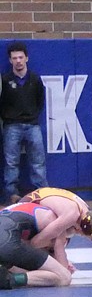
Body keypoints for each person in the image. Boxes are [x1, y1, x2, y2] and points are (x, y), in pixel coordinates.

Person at [0, 187, 92, 288]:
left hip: (11, 222)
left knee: (41, 271)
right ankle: (8, 280)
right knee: (63, 277)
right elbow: (35, 243)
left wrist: (53, 258)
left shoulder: (79, 207)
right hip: (10, 232)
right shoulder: (70, 216)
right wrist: (58, 249)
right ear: (85, 226)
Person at [2, 41, 48, 204]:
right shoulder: (5, 80)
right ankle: (12, 194)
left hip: (32, 124)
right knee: (11, 162)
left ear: (26, 58)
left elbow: (40, 100)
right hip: (11, 126)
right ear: (10, 60)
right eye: (15, 58)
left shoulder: (35, 79)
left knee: (38, 161)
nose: (18, 61)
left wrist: (33, 116)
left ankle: (42, 193)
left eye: (21, 57)